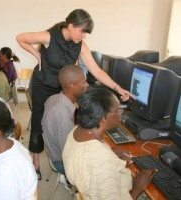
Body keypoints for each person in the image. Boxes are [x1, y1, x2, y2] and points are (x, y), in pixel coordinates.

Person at [16, 8, 133, 177]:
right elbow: (20, 38)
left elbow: (97, 71)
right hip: (43, 83)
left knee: (66, 118)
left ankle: (69, 153)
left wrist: (118, 88)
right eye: (82, 31)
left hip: (62, 85)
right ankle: (35, 160)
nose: (84, 35)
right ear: (70, 26)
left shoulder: (81, 46)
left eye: (86, 32)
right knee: (38, 121)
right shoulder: (49, 37)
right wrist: (38, 55)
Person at [62, 88, 156, 199]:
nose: (121, 112)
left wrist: (112, 158)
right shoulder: (100, 159)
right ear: (104, 117)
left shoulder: (76, 131)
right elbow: (98, 165)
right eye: (118, 110)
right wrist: (137, 188)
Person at [42, 65, 88, 178]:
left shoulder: (54, 98)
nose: (87, 85)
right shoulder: (63, 115)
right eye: (84, 82)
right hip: (63, 162)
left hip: (56, 152)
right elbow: (68, 153)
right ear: (72, 85)